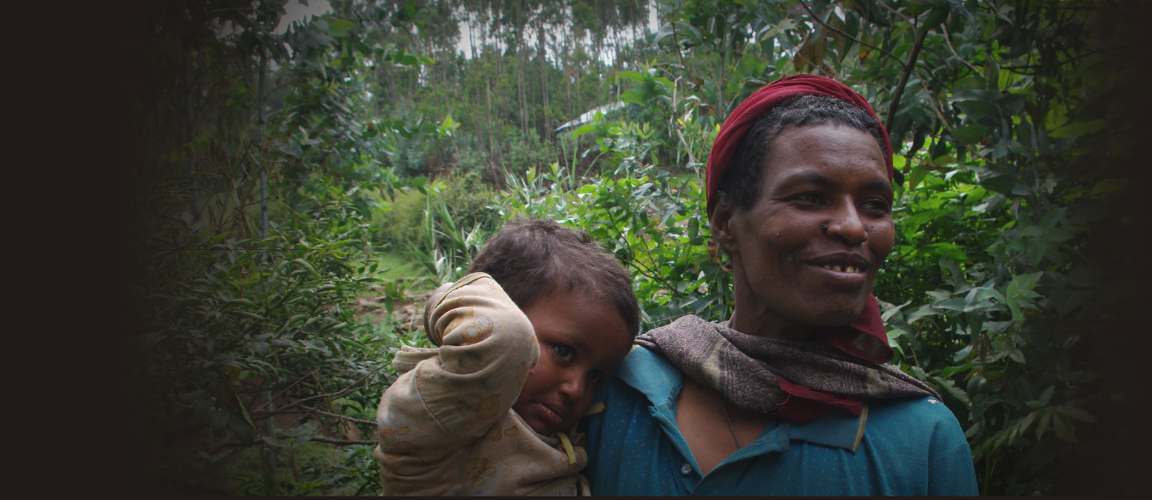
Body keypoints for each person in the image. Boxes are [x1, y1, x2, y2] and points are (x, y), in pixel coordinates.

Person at [582, 74, 980, 495]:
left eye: (875, 205)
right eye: (810, 197)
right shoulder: (615, 390)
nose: (853, 226)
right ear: (725, 223)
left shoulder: (922, 440)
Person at [374, 218, 640, 495]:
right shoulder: (446, 410)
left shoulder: (548, 422)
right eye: (564, 352)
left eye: (595, 376)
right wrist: (442, 298)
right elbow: (503, 333)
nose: (577, 390)